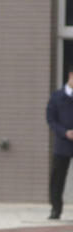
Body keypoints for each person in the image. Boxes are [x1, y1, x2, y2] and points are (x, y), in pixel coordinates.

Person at [46, 69, 73, 220]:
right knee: (57, 178)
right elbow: (51, 119)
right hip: (62, 144)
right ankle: (56, 209)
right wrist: (64, 132)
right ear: (70, 75)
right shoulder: (56, 97)